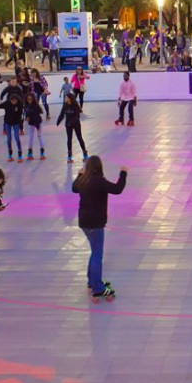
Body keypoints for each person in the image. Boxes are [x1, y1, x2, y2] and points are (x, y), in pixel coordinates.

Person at [72, 156, 127, 302]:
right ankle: (98, 289)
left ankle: (92, 282)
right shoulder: (99, 181)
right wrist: (123, 173)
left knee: (94, 252)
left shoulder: (83, 180)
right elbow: (117, 189)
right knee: (97, 255)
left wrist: (79, 174)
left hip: (84, 222)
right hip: (95, 223)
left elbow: (74, 188)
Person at [0, 93, 25, 163]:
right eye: (12, 101)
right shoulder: (7, 103)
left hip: (16, 123)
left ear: (17, 100)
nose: (13, 102)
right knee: (9, 138)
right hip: (8, 123)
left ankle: (20, 153)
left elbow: (20, 115)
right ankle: (10, 154)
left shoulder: (19, 105)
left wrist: (20, 125)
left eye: (15, 101)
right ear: (10, 100)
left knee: (17, 137)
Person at [56, 93, 88, 164]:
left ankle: (85, 154)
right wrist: (58, 122)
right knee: (69, 139)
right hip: (68, 125)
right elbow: (61, 114)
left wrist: (71, 122)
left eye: (66, 98)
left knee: (79, 138)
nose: (65, 99)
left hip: (76, 124)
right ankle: (69, 156)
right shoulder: (65, 106)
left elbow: (77, 116)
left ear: (70, 98)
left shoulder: (75, 106)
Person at [22, 92, 45, 161]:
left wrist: (30, 116)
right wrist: (26, 117)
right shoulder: (26, 106)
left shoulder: (35, 105)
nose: (29, 100)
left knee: (39, 136)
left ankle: (42, 151)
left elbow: (40, 112)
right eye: (28, 99)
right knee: (31, 137)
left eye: (30, 99)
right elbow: (26, 114)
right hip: (31, 123)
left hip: (38, 122)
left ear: (33, 99)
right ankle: (30, 151)